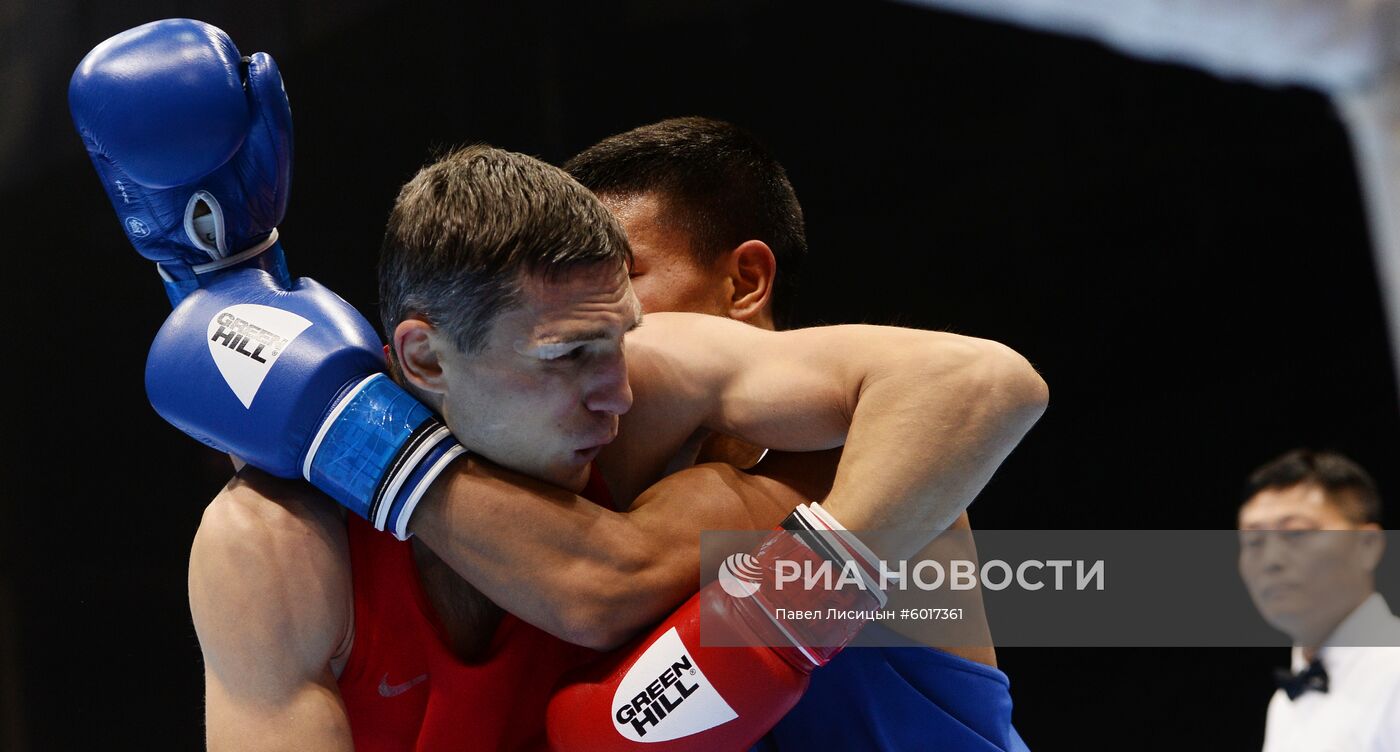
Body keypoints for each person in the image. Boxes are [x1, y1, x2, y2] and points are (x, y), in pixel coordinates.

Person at [73, 21, 1047, 750]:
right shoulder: (281, 545)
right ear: (425, 360)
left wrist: (355, 434)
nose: (620, 382)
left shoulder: (808, 459)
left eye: (622, 323)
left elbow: (598, 581)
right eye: (567, 350)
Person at [564, 116, 1030, 751]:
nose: (592, 319)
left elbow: (986, 381)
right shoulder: (604, 478)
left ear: (747, 281)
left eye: (620, 277)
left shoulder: (860, 456)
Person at [1238, 449, 1400, 752]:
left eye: (1296, 533)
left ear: (1367, 545)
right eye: (1253, 541)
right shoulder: (1284, 705)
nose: (1271, 559)